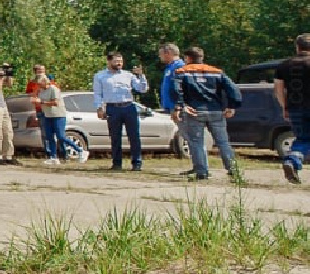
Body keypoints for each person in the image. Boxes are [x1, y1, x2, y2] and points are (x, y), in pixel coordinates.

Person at [167, 46, 242, 182]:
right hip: (216, 110)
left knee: (197, 142)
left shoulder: (181, 71)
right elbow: (233, 89)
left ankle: (202, 172)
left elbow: (175, 90)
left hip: (194, 111)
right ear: (202, 57)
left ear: (188, 58)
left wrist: (181, 106)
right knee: (223, 142)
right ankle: (233, 170)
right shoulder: (217, 72)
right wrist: (232, 106)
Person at [92, 51, 149, 171]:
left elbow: (142, 89)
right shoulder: (100, 76)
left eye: (121, 61)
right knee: (115, 137)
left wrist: (141, 76)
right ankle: (117, 163)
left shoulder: (128, 75)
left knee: (134, 136)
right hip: (112, 108)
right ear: (109, 61)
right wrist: (99, 108)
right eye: (116, 61)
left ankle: (136, 163)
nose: (119, 63)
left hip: (129, 107)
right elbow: (97, 93)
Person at [275, 33, 310, 184]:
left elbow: (278, 89)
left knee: (303, 138)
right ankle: (293, 159)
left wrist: (285, 107)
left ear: (297, 46)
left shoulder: (284, 65)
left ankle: (292, 159)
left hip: (295, 108)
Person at [157, 42, 192, 175]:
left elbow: (179, 89)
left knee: (189, 136)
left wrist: (177, 107)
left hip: (179, 108)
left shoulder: (179, 67)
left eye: (161, 54)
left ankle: (200, 166)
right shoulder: (170, 67)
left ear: (168, 53)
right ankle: (197, 165)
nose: (160, 57)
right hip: (172, 107)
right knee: (185, 135)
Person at [34, 75, 71, 165]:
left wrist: (42, 102)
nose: (38, 85)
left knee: (60, 136)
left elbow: (55, 103)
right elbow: (39, 101)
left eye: (40, 83)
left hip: (58, 115)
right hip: (47, 115)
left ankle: (80, 150)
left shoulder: (54, 89)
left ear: (44, 82)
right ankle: (53, 157)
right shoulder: (41, 91)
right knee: (49, 137)